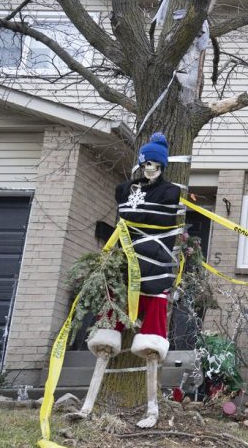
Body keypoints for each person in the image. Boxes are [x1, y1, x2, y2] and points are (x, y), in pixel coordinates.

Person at [70, 132, 183, 428]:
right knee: (107, 337)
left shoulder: (172, 192)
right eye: (147, 164)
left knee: (152, 343)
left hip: (156, 273)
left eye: (156, 165)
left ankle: (152, 409)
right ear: (141, 163)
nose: (151, 169)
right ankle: (88, 404)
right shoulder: (125, 190)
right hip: (122, 273)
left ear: (163, 166)